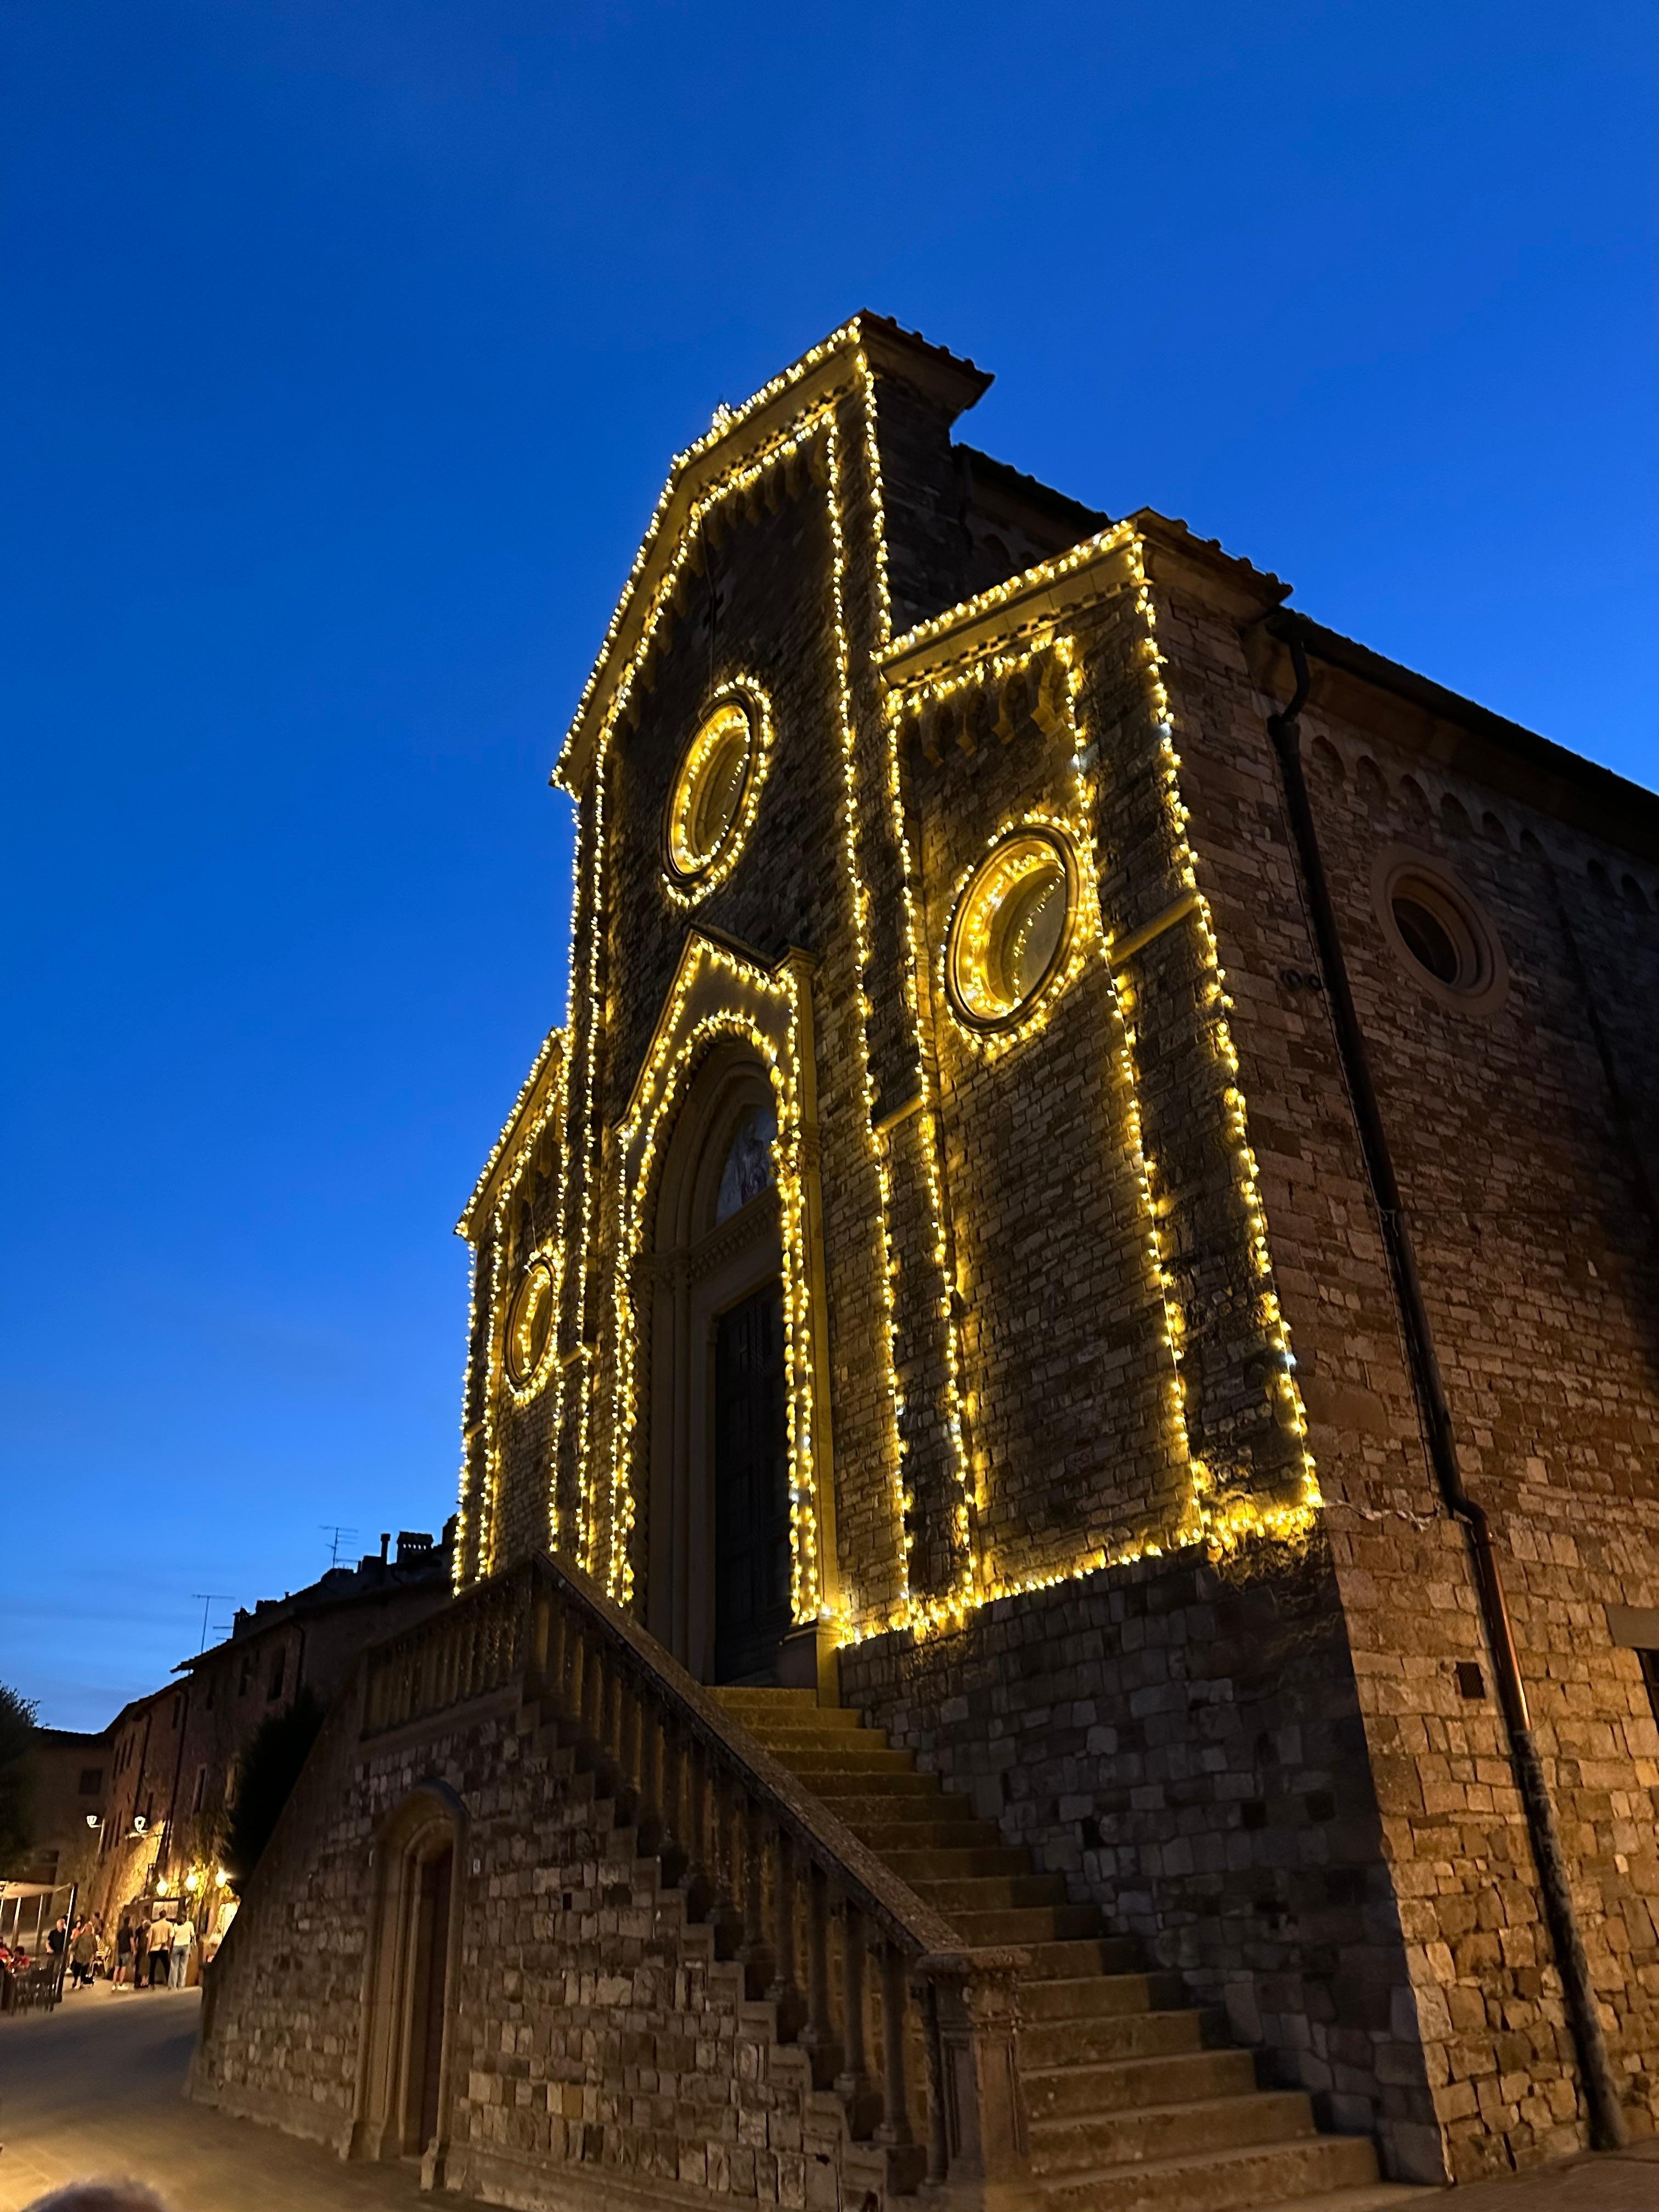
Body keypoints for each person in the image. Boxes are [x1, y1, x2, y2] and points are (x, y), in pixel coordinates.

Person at [146, 1910, 172, 1988]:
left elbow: (149, 1939)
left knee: (152, 1967)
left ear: (159, 1916)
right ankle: (169, 1982)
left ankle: (152, 1984)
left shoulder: (153, 1926)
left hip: (154, 1949)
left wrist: (148, 1949)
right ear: (166, 1916)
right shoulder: (169, 1925)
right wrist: (169, 1946)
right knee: (167, 1966)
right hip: (164, 1948)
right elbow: (170, 1937)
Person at [70, 1918, 98, 1988]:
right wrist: (94, 1953)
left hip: (80, 1955)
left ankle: (76, 1980)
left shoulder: (81, 1936)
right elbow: (95, 1946)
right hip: (86, 1955)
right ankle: (81, 1982)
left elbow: (75, 1943)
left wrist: (72, 1950)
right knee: (83, 1969)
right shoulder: (91, 1937)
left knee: (78, 1968)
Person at [168, 1915, 193, 1989]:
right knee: (183, 1966)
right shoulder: (190, 1924)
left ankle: (173, 1986)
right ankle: (181, 1985)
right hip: (186, 1946)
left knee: (174, 1966)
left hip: (177, 1946)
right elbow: (193, 1934)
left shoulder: (176, 1925)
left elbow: (171, 1935)